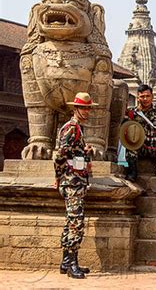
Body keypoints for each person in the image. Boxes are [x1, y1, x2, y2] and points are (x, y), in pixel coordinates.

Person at [54, 92, 96, 279]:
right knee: (76, 224)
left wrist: (84, 153)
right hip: (72, 181)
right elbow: (60, 155)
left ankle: (66, 262)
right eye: (83, 108)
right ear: (75, 109)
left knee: (71, 221)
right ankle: (71, 264)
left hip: (76, 180)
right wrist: (58, 176)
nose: (86, 111)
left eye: (88, 108)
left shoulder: (78, 128)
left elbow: (72, 153)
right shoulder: (71, 128)